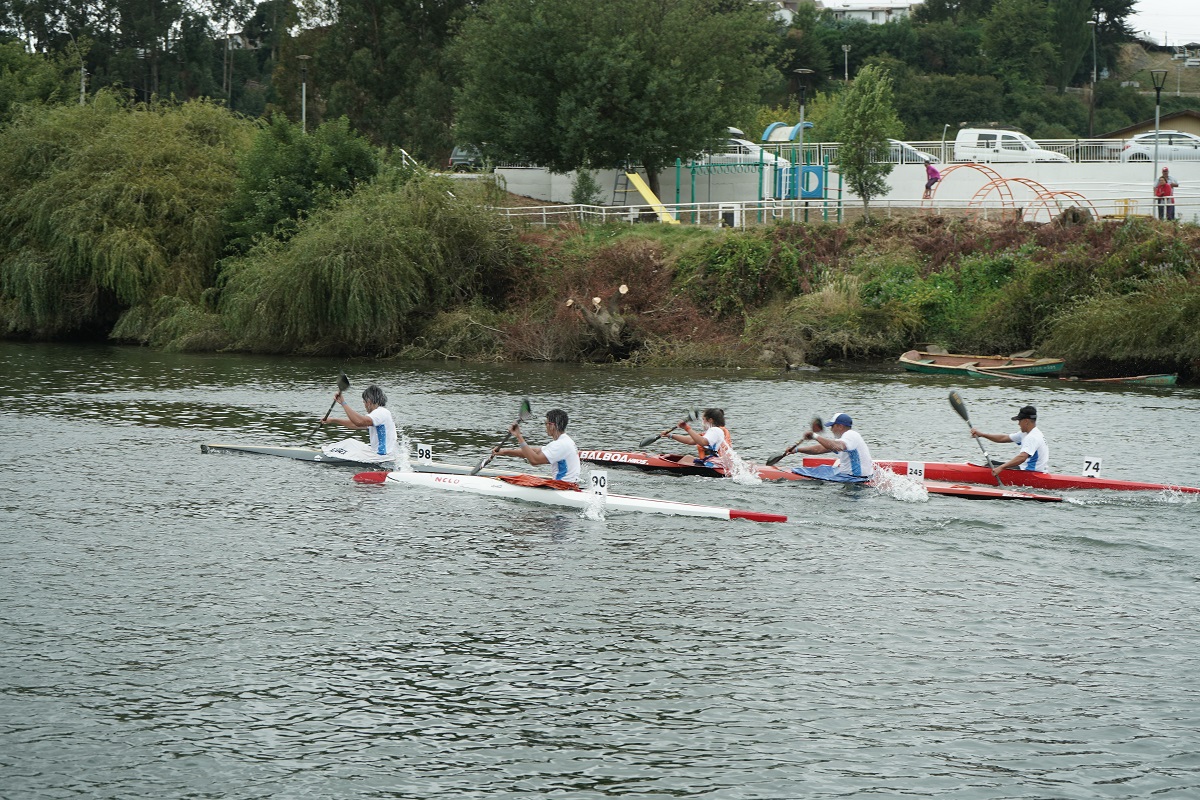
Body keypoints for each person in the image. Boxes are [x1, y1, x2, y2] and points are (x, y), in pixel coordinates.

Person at [492, 408, 580, 484]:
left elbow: (534, 460)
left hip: (563, 487)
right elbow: (535, 451)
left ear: (552, 426)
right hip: (569, 485)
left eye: (546, 423)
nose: (545, 426)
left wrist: (519, 436)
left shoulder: (560, 444)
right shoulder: (565, 441)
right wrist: (505, 451)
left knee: (520, 479)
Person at [320, 384, 398, 462]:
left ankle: (327, 453)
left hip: (381, 457)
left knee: (348, 444)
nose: (364, 405)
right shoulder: (380, 414)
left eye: (364, 402)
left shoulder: (380, 412)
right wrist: (333, 420)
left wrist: (343, 403)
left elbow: (359, 422)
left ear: (369, 402)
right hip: (381, 454)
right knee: (350, 442)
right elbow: (354, 424)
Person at [789, 412, 875, 482]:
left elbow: (836, 446)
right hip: (851, 476)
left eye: (832, 426)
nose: (831, 429)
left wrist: (815, 436)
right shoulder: (845, 438)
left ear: (840, 426)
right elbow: (819, 449)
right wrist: (796, 450)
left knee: (816, 473)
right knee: (823, 468)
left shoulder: (851, 435)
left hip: (856, 479)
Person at [971, 404, 1049, 476]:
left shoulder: (1032, 437)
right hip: (1029, 468)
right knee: (991, 463)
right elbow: (1003, 438)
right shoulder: (1027, 433)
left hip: (1031, 472)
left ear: (1026, 421)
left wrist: (1001, 467)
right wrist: (982, 434)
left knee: (989, 467)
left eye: (1019, 421)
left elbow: (1022, 457)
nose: (1018, 424)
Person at [663, 408, 730, 465]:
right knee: (687, 458)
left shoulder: (715, 430)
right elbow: (691, 440)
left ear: (710, 420)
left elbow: (703, 442)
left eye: (703, 419)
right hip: (716, 462)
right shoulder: (715, 432)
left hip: (715, 464)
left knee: (683, 461)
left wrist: (687, 428)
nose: (702, 422)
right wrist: (670, 435)